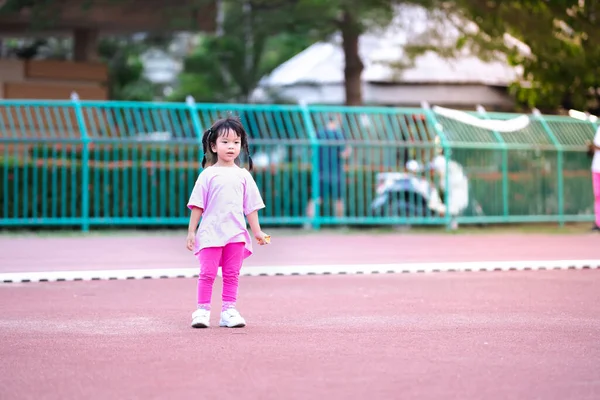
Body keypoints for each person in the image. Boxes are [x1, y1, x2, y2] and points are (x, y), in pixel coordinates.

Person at [186, 117, 269, 329]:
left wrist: (257, 232)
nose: (231, 147)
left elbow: (251, 207)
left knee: (232, 274)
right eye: (225, 142)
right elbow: (197, 206)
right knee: (207, 273)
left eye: (236, 142)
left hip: (236, 234)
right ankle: (202, 311)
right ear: (213, 146)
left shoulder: (243, 176)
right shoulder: (207, 175)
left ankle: (228, 311)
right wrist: (191, 232)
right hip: (210, 233)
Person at [305, 116, 351, 225]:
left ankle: (309, 222)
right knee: (338, 199)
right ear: (335, 122)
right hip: (336, 172)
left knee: (316, 198)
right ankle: (340, 224)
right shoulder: (339, 135)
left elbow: (311, 152)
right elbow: (345, 154)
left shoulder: (319, 134)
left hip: (320, 171)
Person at [587, 126, 600, 231]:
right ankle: (598, 223)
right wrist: (591, 147)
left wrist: (594, 146)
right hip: (596, 168)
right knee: (598, 196)